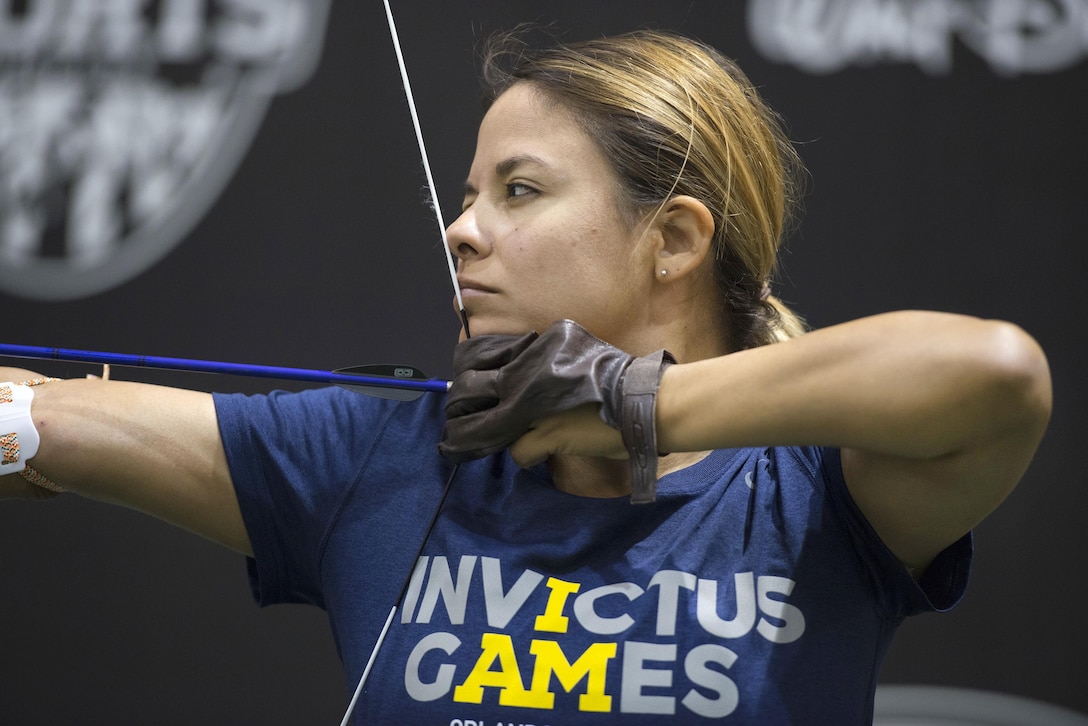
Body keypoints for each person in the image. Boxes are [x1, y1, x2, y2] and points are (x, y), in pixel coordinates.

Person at [0, 30, 1051, 723]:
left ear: (673, 238)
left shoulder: (813, 493)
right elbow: (35, 417)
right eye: (466, 196)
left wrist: (633, 405)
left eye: (518, 190)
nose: (462, 230)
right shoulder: (386, 459)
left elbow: (993, 373)